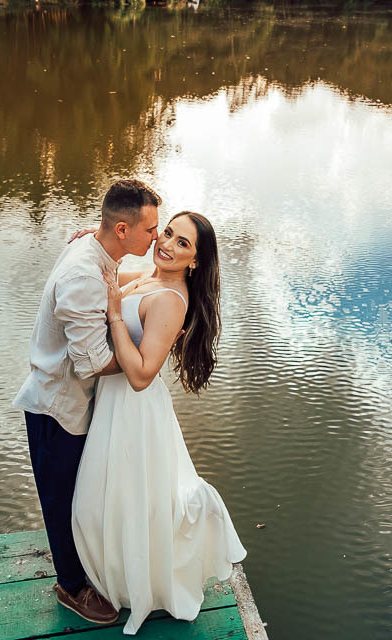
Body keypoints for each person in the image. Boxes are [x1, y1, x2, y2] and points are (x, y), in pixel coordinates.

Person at [71, 211, 247, 635]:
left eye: (182, 243)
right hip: (113, 408)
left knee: (116, 501)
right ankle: (120, 573)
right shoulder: (153, 274)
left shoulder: (171, 299)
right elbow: (112, 271)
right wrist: (93, 242)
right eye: (167, 232)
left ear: (196, 261)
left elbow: (141, 375)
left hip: (133, 411)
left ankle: (140, 581)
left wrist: (115, 316)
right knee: (113, 501)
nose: (167, 244)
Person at [12, 179, 162, 624]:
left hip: (74, 402)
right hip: (57, 407)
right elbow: (93, 362)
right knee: (60, 499)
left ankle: (87, 567)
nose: (156, 236)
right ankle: (70, 586)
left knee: (83, 495)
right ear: (121, 229)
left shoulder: (101, 252)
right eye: (150, 229)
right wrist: (144, 359)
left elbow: (116, 286)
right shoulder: (83, 275)